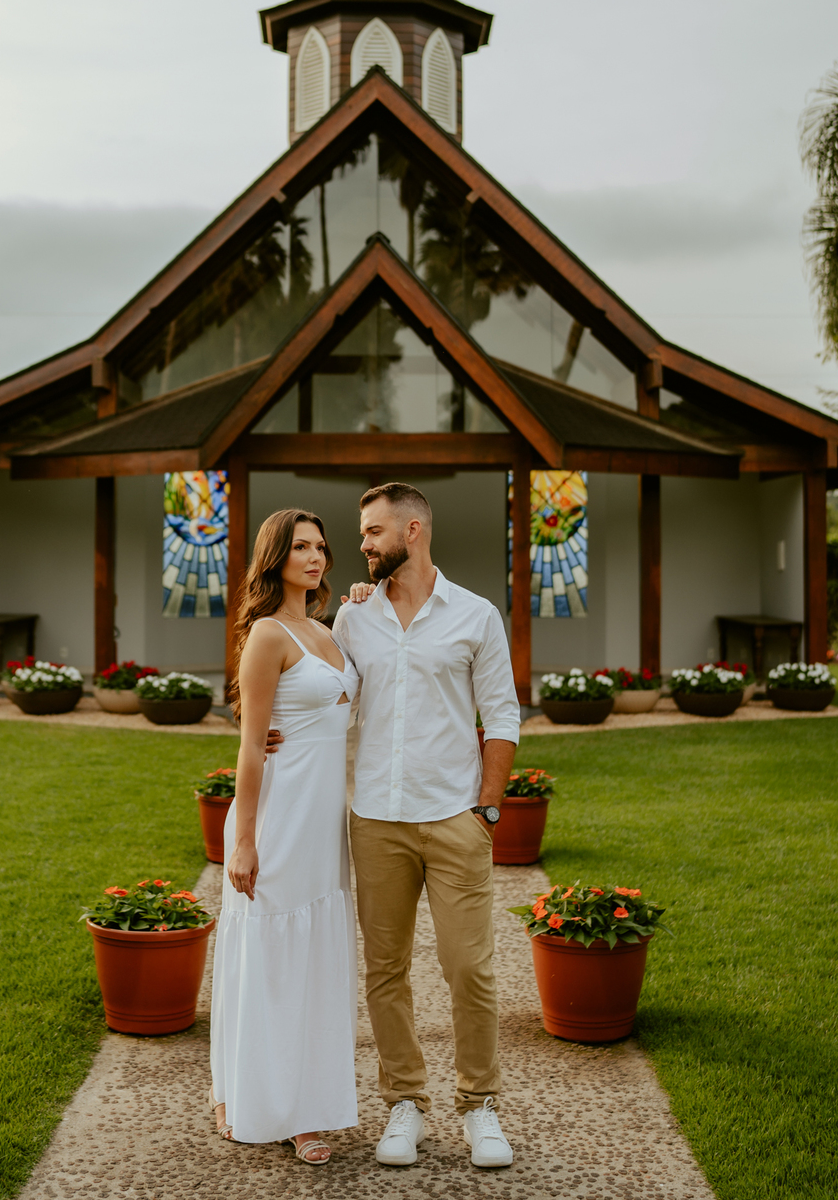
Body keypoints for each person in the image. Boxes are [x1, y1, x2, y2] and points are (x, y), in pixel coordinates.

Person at [333, 481, 520, 1170]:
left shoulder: (474, 615)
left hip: (453, 818)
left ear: (413, 530)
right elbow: (334, 704)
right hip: (376, 820)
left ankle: (479, 1104)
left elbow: (501, 713)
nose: (363, 543)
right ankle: (404, 1101)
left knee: (468, 966)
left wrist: (489, 807)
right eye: (362, 533)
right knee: (385, 969)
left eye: (374, 531)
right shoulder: (353, 620)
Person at [208, 509, 359, 1165]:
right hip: (275, 816)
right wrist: (243, 842)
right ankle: (248, 1096)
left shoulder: (327, 631)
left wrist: (364, 599)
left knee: (314, 963)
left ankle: (305, 1099)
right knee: (266, 960)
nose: (315, 556)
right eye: (300, 546)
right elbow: (249, 746)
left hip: (324, 822)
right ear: (275, 557)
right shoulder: (267, 635)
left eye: (321, 546)